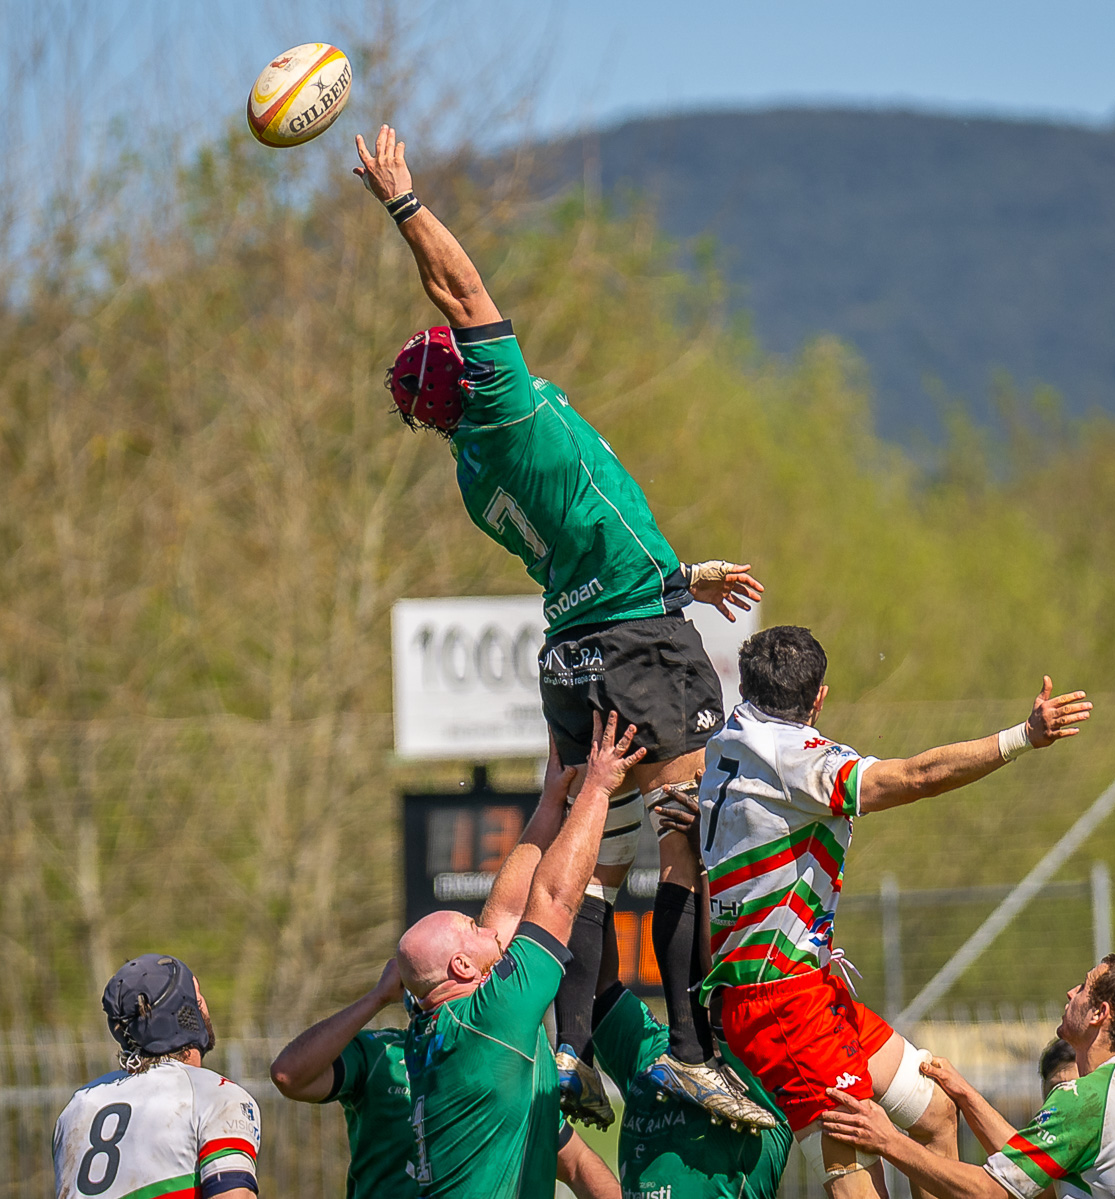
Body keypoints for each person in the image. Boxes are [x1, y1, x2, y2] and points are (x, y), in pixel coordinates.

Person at [354, 122, 768, 1129]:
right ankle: (688, 1050)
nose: (480, 334)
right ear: (470, 379)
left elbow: (584, 534)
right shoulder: (503, 409)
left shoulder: (471, 469)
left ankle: (573, 1043)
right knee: (685, 847)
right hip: (636, 646)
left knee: (593, 861)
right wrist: (405, 204)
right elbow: (458, 288)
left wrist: (679, 573)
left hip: (577, 650)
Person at [696, 625, 1094, 1199]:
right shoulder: (800, 763)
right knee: (857, 1165)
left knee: (933, 1111)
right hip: (779, 1000)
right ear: (820, 697)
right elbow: (917, 777)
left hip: (810, 991)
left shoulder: (729, 738)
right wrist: (1022, 737)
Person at [397, 713, 641, 1199]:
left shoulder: (444, 1030)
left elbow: (507, 911)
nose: (484, 926)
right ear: (462, 968)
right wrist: (596, 788)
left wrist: (552, 802)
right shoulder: (491, 1022)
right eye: (471, 928)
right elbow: (553, 900)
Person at [821, 954, 1115, 1199]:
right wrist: (967, 1096)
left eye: (1084, 987)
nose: (1070, 993)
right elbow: (1027, 1170)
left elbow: (992, 1191)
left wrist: (889, 1141)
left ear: (1097, 1014)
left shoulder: (1089, 1099)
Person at [584, 788, 795, 1199]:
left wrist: (707, 862)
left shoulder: (761, 1069)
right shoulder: (651, 1054)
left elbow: (718, 976)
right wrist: (602, 862)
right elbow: (598, 986)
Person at [268, 958, 624, 1199]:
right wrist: (377, 998)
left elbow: (576, 1164)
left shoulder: (506, 1068)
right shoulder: (381, 1053)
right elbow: (289, 1075)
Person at [52, 955, 259, 1199]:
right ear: (186, 1012)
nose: (203, 1003)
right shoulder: (216, 1095)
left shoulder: (79, 1104)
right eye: (198, 995)